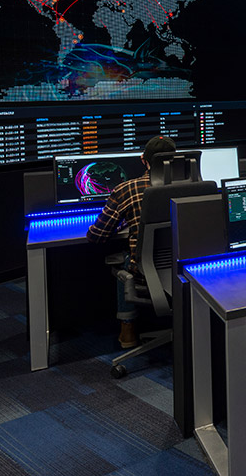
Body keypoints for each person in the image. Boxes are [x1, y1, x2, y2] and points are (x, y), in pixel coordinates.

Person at [86, 135, 176, 348]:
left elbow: (96, 236)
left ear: (144, 160)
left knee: (127, 258)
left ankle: (128, 329)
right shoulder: (198, 185)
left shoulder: (126, 189)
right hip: (186, 267)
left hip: (148, 270)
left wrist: (122, 222)